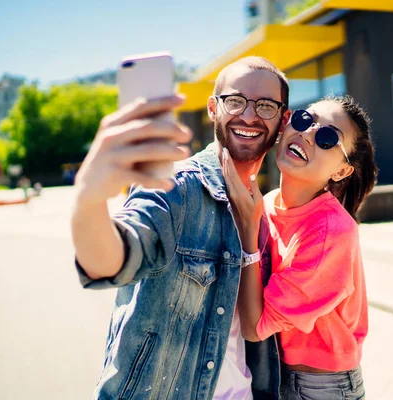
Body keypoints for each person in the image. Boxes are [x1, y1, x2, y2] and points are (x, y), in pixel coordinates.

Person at [71, 56, 291, 399]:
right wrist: (88, 200)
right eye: (235, 101)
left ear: (283, 119)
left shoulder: (268, 210)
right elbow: (112, 260)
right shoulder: (176, 187)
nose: (249, 116)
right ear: (212, 109)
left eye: (265, 106)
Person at [223, 95, 377, 399]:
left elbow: (256, 327)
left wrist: (248, 227)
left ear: (341, 171)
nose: (307, 133)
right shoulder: (268, 202)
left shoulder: (330, 232)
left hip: (321, 386)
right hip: (276, 369)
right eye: (305, 120)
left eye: (328, 137)